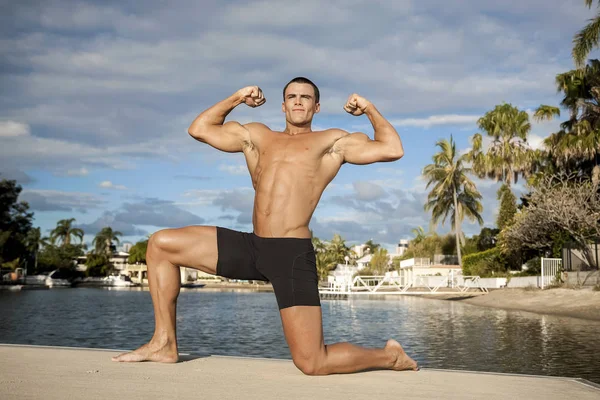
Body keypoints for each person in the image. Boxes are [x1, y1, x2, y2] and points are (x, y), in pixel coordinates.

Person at [112, 77, 419, 375]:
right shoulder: (257, 136)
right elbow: (200, 129)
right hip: (252, 246)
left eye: (306, 97)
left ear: (317, 107)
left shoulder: (332, 142)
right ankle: (164, 343)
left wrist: (369, 109)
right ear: (283, 106)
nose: (298, 101)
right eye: (292, 97)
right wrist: (237, 97)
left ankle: (390, 357)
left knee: (312, 362)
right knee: (160, 245)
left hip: (291, 254)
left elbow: (393, 148)